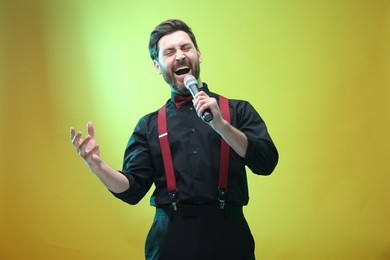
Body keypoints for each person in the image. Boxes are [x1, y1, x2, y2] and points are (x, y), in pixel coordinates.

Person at [70, 19, 278, 260]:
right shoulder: (148, 126)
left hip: (229, 235)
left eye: (186, 48)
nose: (180, 56)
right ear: (158, 66)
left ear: (198, 55)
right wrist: (98, 166)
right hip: (170, 239)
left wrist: (222, 126)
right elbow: (132, 190)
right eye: (169, 52)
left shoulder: (238, 111)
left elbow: (266, 163)